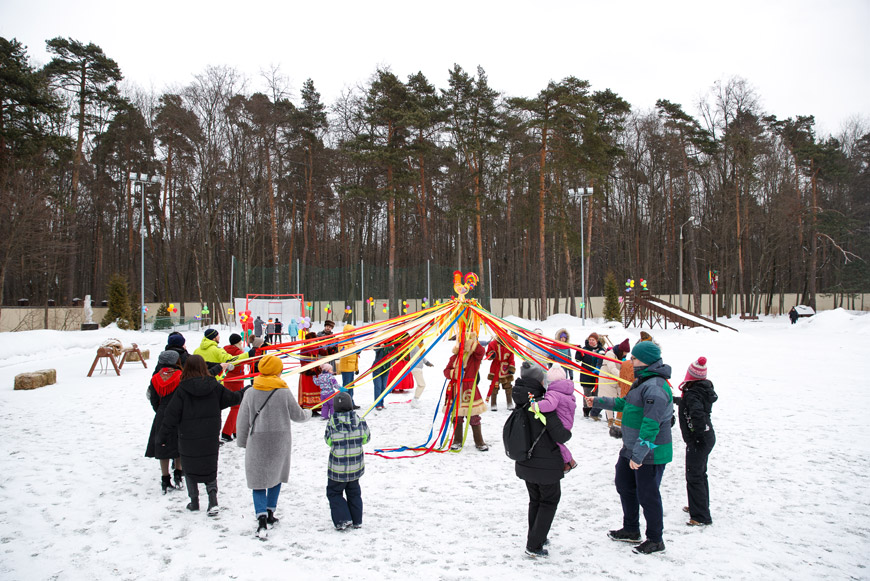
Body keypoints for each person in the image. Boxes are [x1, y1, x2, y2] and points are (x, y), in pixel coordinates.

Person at [587, 340, 673, 555]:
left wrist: (640, 455)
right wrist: (596, 401)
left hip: (649, 453)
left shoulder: (655, 387)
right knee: (624, 485)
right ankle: (631, 529)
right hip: (631, 448)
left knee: (648, 494)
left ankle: (655, 538)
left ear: (645, 360)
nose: (630, 360)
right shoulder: (642, 381)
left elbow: (651, 424)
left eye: (633, 358)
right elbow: (625, 404)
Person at [236, 353, 311, 539]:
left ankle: (261, 517)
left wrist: (243, 441)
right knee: (276, 476)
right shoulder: (283, 391)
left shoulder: (251, 391)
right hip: (280, 440)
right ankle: (270, 512)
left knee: (258, 480)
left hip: (257, 441)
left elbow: (243, 419)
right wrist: (308, 413)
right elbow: (298, 415)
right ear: (277, 370)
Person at [157, 355, 242, 515]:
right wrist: (247, 390)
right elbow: (233, 398)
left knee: (189, 468)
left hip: (187, 436)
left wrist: (162, 437)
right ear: (204, 367)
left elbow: (170, 416)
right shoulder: (214, 386)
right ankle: (213, 501)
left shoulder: (182, 389)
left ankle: (194, 501)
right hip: (210, 436)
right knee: (210, 467)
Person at [512, 361, 572, 558]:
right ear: (540, 381)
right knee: (548, 501)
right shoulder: (542, 404)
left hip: (526, 460)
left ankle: (537, 535)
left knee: (535, 499)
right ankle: (534, 544)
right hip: (546, 464)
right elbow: (562, 435)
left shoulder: (521, 400)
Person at [674, 356, 717, 527]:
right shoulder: (701, 390)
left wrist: (698, 435)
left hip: (699, 440)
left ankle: (700, 516)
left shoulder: (693, 394)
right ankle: (698, 506)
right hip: (706, 438)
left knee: (694, 476)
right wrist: (677, 400)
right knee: (700, 474)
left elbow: (697, 413)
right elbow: (690, 404)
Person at [325, 392, 370, 530]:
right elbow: (366, 439)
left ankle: (343, 518)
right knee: (354, 493)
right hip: (355, 467)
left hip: (337, 469)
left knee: (334, 492)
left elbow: (328, 441)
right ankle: (357, 520)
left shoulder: (332, 423)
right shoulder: (360, 422)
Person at [145, 350, 184, 493]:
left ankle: (165, 478)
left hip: (162, 413)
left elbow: (153, 399)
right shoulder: (180, 376)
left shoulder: (155, 378)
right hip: (178, 413)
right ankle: (179, 474)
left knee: (163, 445)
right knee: (178, 443)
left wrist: (160, 410)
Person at [444, 330, 489, 451]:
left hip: (470, 389)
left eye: (465, 342)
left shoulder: (474, 358)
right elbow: (446, 371)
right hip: (456, 389)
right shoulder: (454, 358)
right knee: (457, 416)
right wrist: (454, 373)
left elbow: (481, 352)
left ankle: (479, 441)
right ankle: (457, 441)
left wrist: (473, 341)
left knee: (474, 416)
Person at [535, 365, 577, 472]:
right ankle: (568, 461)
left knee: (555, 441)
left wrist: (536, 406)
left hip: (560, 422)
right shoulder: (567, 390)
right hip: (568, 421)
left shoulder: (554, 392)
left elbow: (549, 405)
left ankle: (569, 461)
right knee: (557, 441)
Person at [221, 333, 249, 442]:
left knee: (236, 406)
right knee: (236, 407)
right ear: (238, 343)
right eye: (240, 342)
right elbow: (245, 361)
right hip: (236, 381)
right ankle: (226, 432)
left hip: (228, 380)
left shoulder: (224, 350)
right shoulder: (238, 352)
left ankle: (235, 430)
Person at [598, 339, 631, 428]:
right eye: (625, 352)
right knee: (609, 398)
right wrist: (622, 377)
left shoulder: (620, 356)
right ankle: (610, 420)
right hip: (607, 379)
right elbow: (612, 368)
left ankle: (619, 419)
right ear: (621, 350)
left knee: (620, 397)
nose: (625, 354)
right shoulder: (610, 354)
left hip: (616, 380)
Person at [576, 332, 605, 420]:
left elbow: (604, 361)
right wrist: (578, 351)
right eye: (590, 340)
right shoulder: (585, 349)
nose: (591, 342)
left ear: (597, 341)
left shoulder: (602, 350)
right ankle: (586, 411)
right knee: (587, 393)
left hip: (596, 376)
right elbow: (578, 359)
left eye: (593, 340)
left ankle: (595, 411)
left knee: (596, 394)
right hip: (586, 375)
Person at [485, 335, 516, 411]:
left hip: (506, 368)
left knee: (508, 386)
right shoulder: (492, 344)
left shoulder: (509, 345)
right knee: (494, 387)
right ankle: (493, 403)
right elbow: (488, 355)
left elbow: (511, 358)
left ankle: (509, 403)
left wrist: (511, 367)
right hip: (496, 368)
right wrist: (492, 355)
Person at [298, 331, 326, 413]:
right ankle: (309, 408)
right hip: (308, 374)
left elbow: (324, 353)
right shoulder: (304, 349)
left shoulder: (317, 347)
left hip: (316, 372)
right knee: (309, 389)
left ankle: (316, 407)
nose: (314, 341)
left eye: (315, 340)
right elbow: (302, 362)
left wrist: (332, 348)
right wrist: (310, 369)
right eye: (313, 340)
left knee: (317, 388)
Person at [371, 339, 396, 411]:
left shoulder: (391, 348)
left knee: (383, 387)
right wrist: (379, 346)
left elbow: (394, 359)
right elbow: (374, 348)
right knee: (378, 386)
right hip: (377, 369)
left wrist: (392, 357)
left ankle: (381, 403)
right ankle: (377, 404)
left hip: (386, 370)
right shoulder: (380, 344)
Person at [337, 324, 359, 406]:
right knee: (346, 386)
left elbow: (355, 357)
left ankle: (351, 403)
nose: (353, 334)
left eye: (353, 333)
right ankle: (345, 404)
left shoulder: (352, 342)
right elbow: (343, 352)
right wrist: (354, 350)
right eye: (351, 333)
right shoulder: (343, 341)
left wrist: (356, 368)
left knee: (351, 386)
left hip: (351, 367)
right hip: (346, 367)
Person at [409, 343, 434, 408]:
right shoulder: (414, 345)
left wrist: (427, 363)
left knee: (421, 384)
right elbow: (410, 353)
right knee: (422, 385)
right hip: (415, 367)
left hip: (419, 367)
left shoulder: (420, 346)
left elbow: (421, 356)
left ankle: (415, 400)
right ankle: (415, 400)